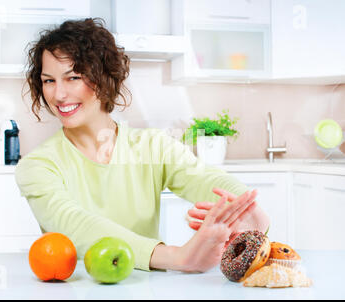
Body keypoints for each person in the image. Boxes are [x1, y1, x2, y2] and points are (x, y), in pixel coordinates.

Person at [15, 18, 270, 273]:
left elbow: (204, 179)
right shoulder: (36, 166)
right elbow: (75, 225)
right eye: (49, 80)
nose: (58, 94)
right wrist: (178, 257)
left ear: (103, 78)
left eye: (73, 77)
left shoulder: (152, 146)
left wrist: (249, 212)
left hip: (146, 291)